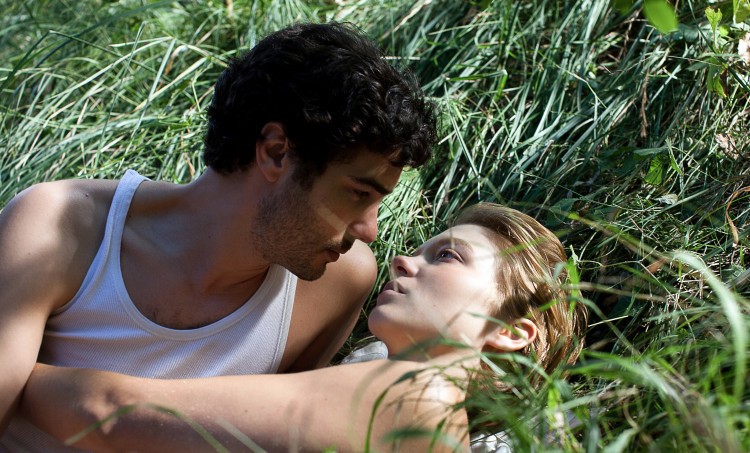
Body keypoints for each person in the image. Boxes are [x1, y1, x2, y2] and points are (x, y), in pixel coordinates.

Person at [0, 21, 437, 448]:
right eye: (359, 193)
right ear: (276, 152)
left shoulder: (339, 282)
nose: (369, 230)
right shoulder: (64, 226)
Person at [20, 203, 587, 452]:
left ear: (513, 332)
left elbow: (111, 413)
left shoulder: (414, 398)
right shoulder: (433, 419)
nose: (405, 261)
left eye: (448, 258)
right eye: (419, 248)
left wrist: (11, 360)